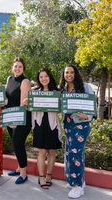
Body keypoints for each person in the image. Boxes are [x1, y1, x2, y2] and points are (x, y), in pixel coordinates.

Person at [59, 64, 94, 199]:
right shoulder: (63, 90)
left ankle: (78, 186)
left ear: (76, 73)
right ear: (64, 75)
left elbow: (93, 104)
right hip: (68, 123)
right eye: (66, 72)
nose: (69, 74)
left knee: (76, 153)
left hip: (82, 124)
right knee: (70, 151)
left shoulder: (86, 87)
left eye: (72, 72)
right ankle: (77, 180)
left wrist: (88, 115)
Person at [31, 68, 62, 189]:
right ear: (38, 79)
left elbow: (60, 109)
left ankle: (49, 175)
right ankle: (41, 177)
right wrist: (27, 101)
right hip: (39, 123)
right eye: (41, 77)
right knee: (42, 151)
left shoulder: (56, 91)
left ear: (50, 77)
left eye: (46, 76)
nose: (43, 79)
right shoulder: (34, 91)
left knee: (52, 151)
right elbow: (29, 106)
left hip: (52, 123)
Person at [5, 57, 32, 184]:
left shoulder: (25, 81)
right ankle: (18, 168)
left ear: (23, 69)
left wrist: (16, 120)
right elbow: (7, 97)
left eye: (20, 67)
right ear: (12, 67)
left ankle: (23, 173)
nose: (17, 69)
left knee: (18, 144)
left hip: (22, 119)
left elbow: (23, 104)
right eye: (15, 66)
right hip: (9, 117)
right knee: (15, 144)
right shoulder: (9, 79)